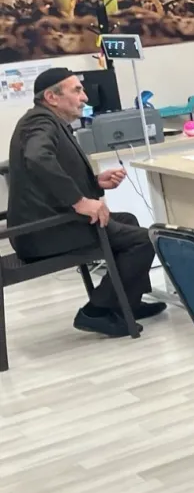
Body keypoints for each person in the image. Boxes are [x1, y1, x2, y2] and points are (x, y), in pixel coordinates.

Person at [7, 67, 164, 338]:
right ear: (52, 97)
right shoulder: (40, 122)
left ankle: (127, 302)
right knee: (145, 239)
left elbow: (52, 171)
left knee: (128, 221)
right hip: (44, 232)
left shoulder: (46, 121)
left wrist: (95, 182)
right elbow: (38, 158)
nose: (85, 97)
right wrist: (79, 201)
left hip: (47, 225)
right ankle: (97, 311)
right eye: (77, 90)